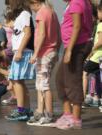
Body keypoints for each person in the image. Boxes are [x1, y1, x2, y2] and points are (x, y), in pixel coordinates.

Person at [54, 0, 93, 130]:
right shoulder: (80, 2)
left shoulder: (77, 2)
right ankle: (67, 114)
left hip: (76, 46)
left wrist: (70, 49)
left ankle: (76, 119)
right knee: (60, 79)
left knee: (73, 82)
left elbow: (77, 26)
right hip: (74, 45)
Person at [26, 0, 61, 126]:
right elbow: (59, 33)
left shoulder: (41, 13)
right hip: (51, 51)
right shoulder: (52, 12)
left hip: (44, 52)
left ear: (35, 2)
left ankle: (49, 115)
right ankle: (40, 112)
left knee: (44, 85)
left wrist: (35, 54)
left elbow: (41, 34)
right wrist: (57, 49)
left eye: (30, 5)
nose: (31, 9)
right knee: (40, 84)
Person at [4, 0, 36, 121]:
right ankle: (26, 110)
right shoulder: (20, 16)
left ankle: (21, 110)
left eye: (9, 3)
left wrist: (20, 51)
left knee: (16, 80)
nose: (8, 6)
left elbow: (28, 33)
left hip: (23, 52)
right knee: (18, 81)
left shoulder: (25, 14)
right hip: (20, 51)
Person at [83, 2, 102, 107]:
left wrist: (92, 50)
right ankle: (95, 97)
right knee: (96, 75)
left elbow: (100, 41)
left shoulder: (100, 25)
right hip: (99, 56)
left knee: (85, 71)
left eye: (99, 11)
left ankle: (87, 96)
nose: (98, 14)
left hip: (97, 55)